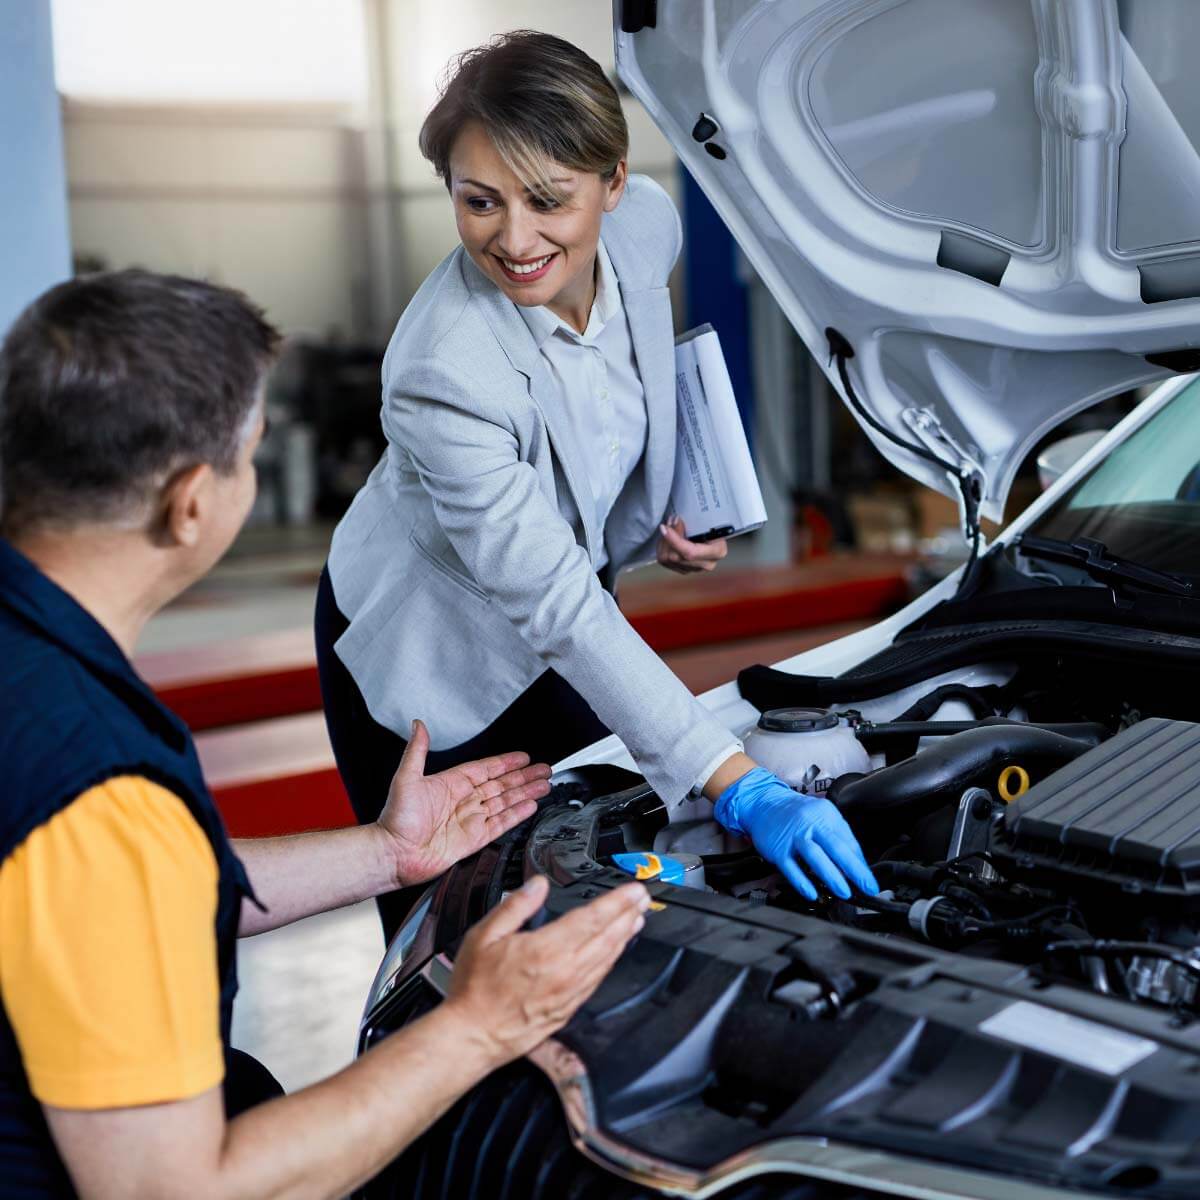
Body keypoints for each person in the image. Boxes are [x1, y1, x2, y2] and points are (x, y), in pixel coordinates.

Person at [0, 269, 650, 1199]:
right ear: (191, 503)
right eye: (249, 454)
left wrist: (385, 854)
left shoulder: (33, 661)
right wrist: (476, 1025)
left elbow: (97, 901)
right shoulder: (93, 786)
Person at [315, 30, 878, 935]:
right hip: (431, 642)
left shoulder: (648, 224)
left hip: (560, 605)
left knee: (598, 872)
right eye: (479, 201)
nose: (515, 238)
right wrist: (743, 785)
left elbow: (601, 410)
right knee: (459, 923)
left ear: (614, 183)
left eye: (548, 199)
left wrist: (650, 518)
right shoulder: (442, 372)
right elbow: (559, 604)